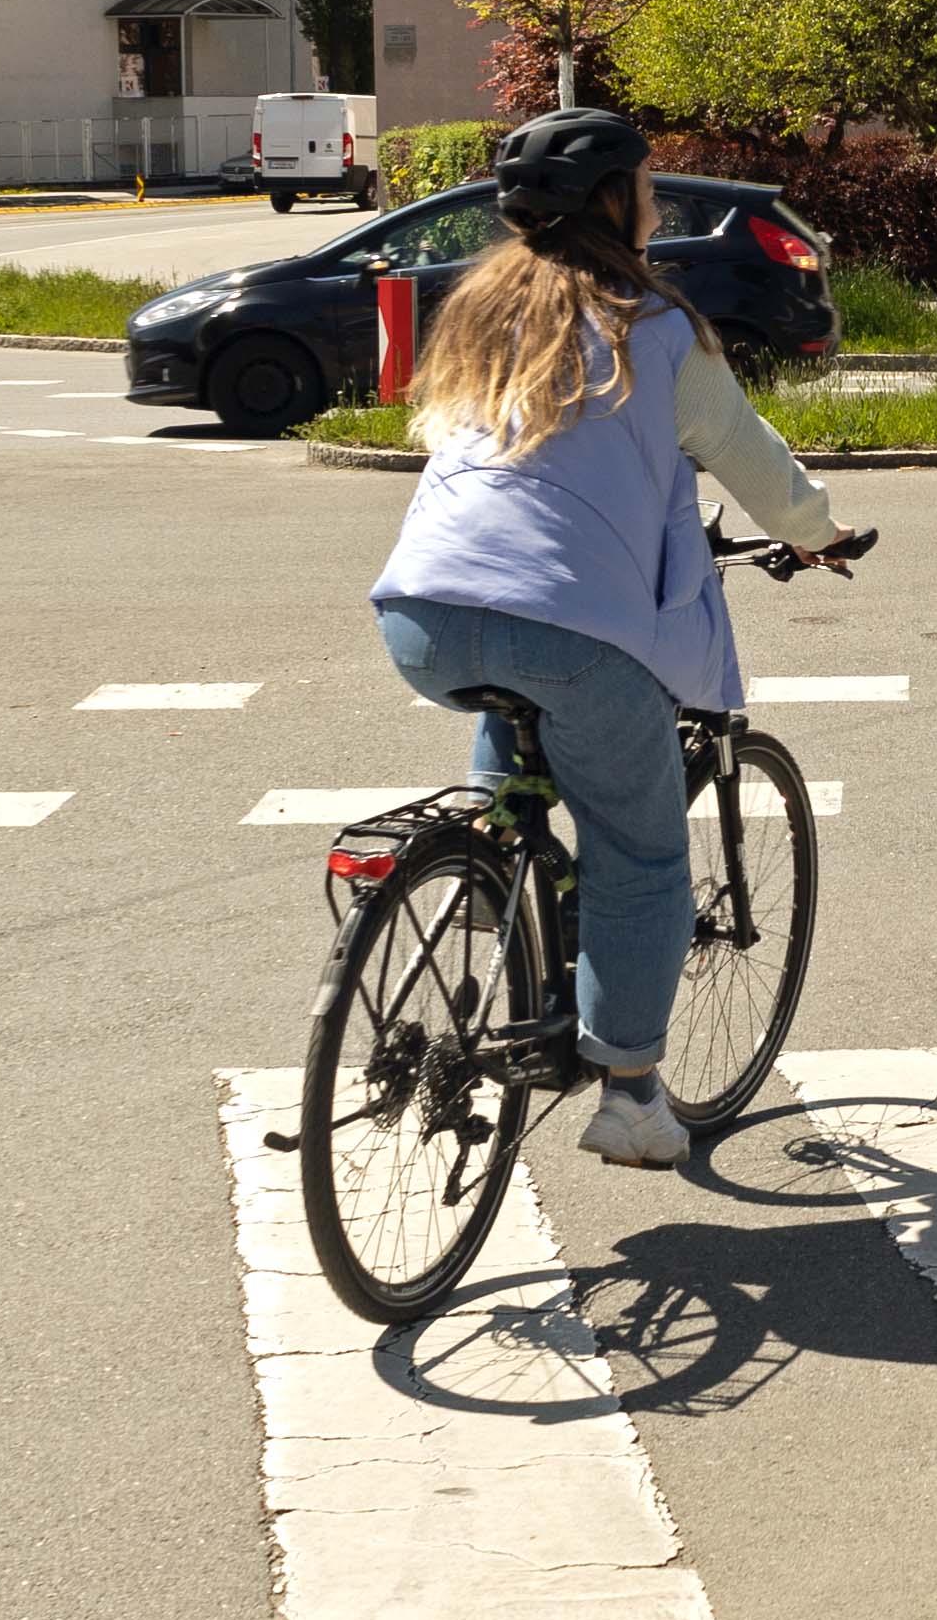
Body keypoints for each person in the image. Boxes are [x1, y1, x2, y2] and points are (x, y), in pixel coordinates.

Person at [364, 107, 856, 1173]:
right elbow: (745, 456)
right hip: (573, 629)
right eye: (646, 191)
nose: (657, 209)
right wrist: (818, 534)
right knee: (639, 859)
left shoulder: (479, 312)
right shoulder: (656, 324)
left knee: (520, 765)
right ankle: (630, 1097)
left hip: (422, 613)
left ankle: (496, 906)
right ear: (614, 205)